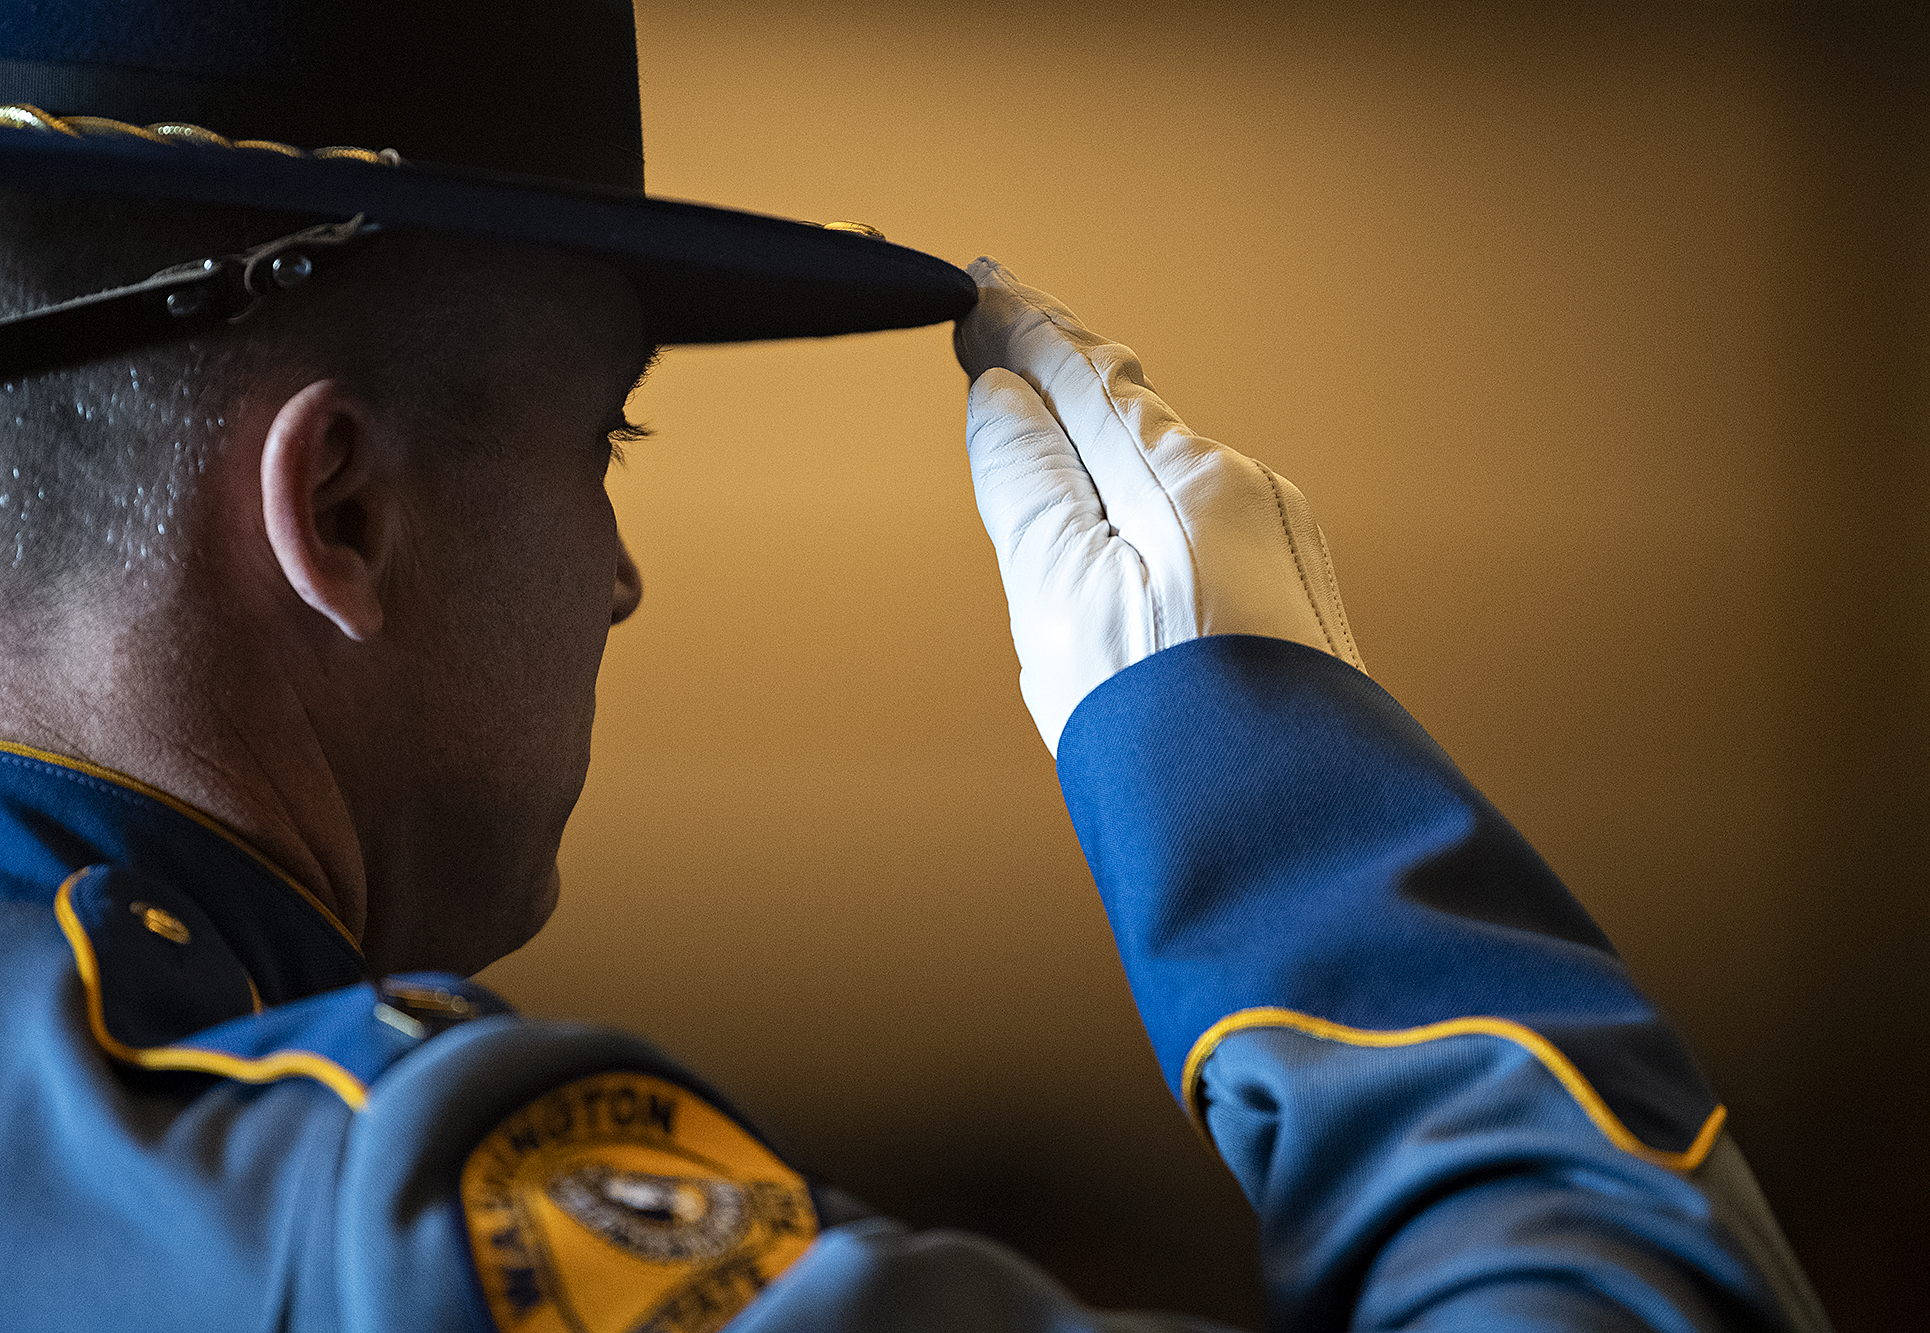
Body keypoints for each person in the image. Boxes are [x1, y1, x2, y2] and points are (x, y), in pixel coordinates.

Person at [0, 2, 1834, 1329]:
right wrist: (1290, 820)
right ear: (343, 510)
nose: (624, 578)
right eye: (606, 447)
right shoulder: (358, 1224)